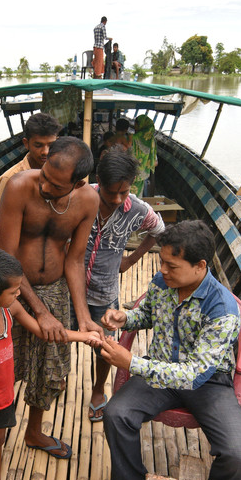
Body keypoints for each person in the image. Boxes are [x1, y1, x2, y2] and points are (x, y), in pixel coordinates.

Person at [98, 220, 241, 480]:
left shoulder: (221, 309)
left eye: (172, 266)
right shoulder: (162, 283)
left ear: (200, 265)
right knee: (116, 414)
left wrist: (132, 363)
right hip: (160, 373)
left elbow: (194, 374)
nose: (162, 271)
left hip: (207, 383)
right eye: (162, 261)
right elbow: (146, 314)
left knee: (239, 456)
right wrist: (126, 317)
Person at [0, 249, 101, 480]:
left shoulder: (10, 309)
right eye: (14, 291)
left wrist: (84, 336)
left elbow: (44, 332)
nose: (19, 294)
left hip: (4, 398)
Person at [0, 137, 104, 459]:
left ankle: (33, 432)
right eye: (43, 175)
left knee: (48, 369)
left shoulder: (88, 201)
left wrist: (83, 316)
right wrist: (40, 310)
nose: (44, 187)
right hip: (12, 289)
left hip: (56, 289)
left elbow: (74, 259)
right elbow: (6, 257)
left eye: (56, 186)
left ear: (79, 183)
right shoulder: (18, 187)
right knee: (4, 365)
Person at [84, 147, 165, 420]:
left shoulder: (138, 210)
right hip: (69, 286)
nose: (118, 199)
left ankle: (98, 389)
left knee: (105, 344)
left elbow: (158, 230)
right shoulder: (82, 198)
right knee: (61, 336)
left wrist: (130, 260)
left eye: (125, 192)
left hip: (105, 290)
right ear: (99, 180)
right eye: (111, 193)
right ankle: (59, 377)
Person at [0, 112, 63, 202]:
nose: (45, 152)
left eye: (51, 145)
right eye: (38, 145)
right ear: (26, 143)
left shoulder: (65, 171)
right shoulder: (10, 179)